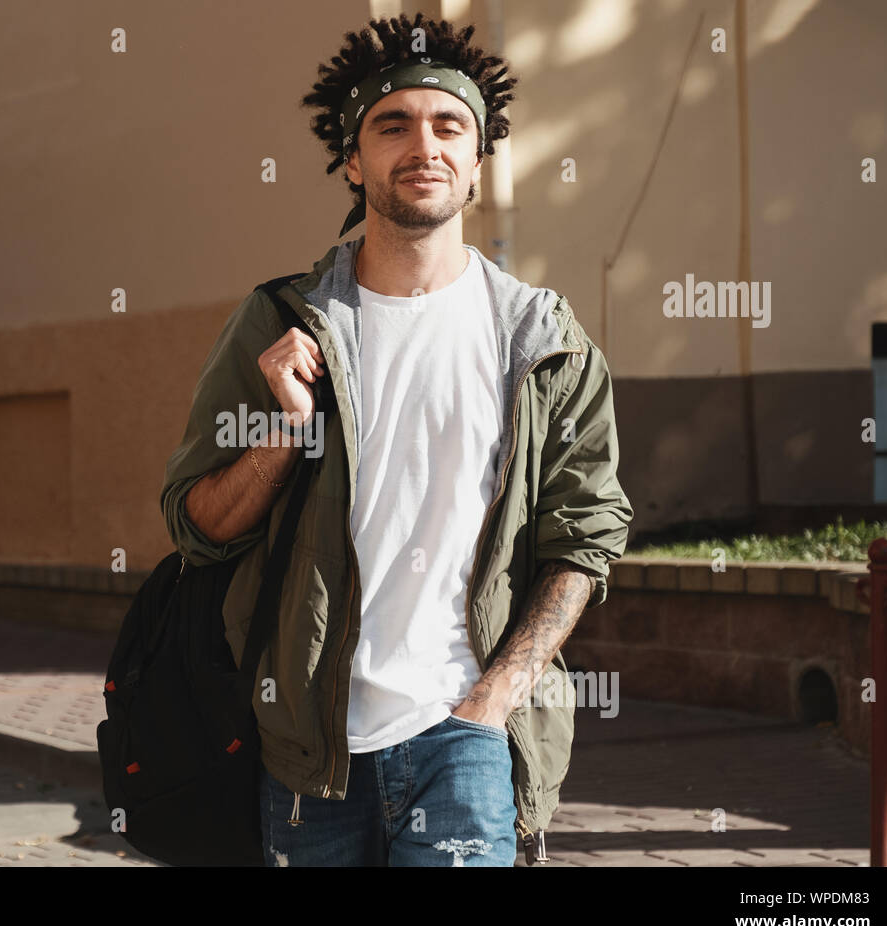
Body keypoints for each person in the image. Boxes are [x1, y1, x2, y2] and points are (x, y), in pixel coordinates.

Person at [161, 12, 633, 867]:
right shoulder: (278, 322)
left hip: (468, 742)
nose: (425, 144)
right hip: (309, 750)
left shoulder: (544, 340)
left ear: (480, 159)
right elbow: (197, 524)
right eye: (393, 125)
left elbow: (587, 538)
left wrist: (495, 699)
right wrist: (284, 432)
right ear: (352, 159)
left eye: (450, 124)